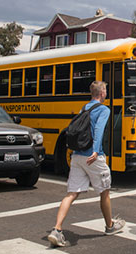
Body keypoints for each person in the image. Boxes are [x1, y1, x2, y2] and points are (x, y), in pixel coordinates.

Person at [48, 81, 125, 247]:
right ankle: (110, 226)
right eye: (106, 90)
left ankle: (57, 229)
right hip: (93, 157)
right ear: (102, 92)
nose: (106, 93)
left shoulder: (85, 108)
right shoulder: (104, 109)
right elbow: (98, 130)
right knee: (104, 191)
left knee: (71, 193)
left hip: (77, 156)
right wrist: (96, 151)